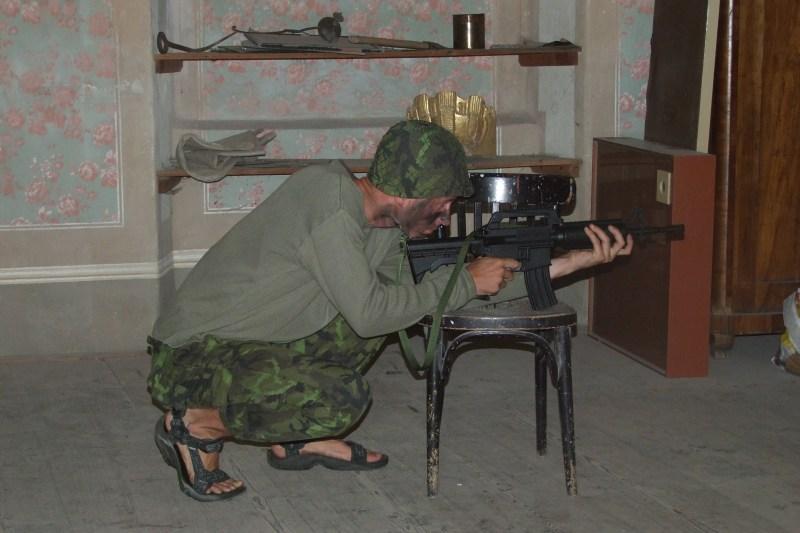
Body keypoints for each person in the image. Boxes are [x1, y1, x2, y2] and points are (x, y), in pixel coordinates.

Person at [147, 120, 633, 501]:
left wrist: (571, 262)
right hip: (192, 358)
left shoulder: (381, 224)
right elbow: (374, 312)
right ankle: (196, 425)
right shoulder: (329, 203)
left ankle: (293, 436)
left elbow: (434, 293)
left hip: (254, 342)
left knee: (383, 314)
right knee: (342, 397)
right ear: (407, 195)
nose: (445, 217)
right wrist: (467, 278)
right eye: (442, 205)